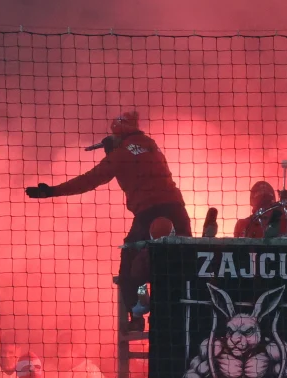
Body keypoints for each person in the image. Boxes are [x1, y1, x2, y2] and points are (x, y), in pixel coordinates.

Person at [24, 111, 191, 332]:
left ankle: (138, 313)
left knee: (132, 265)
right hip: (178, 213)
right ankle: (187, 316)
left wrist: (52, 191)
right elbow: (138, 157)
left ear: (117, 132)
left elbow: (91, 179)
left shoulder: (120, 154)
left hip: (149, 213)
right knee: (185, 264)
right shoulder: (152, 145)